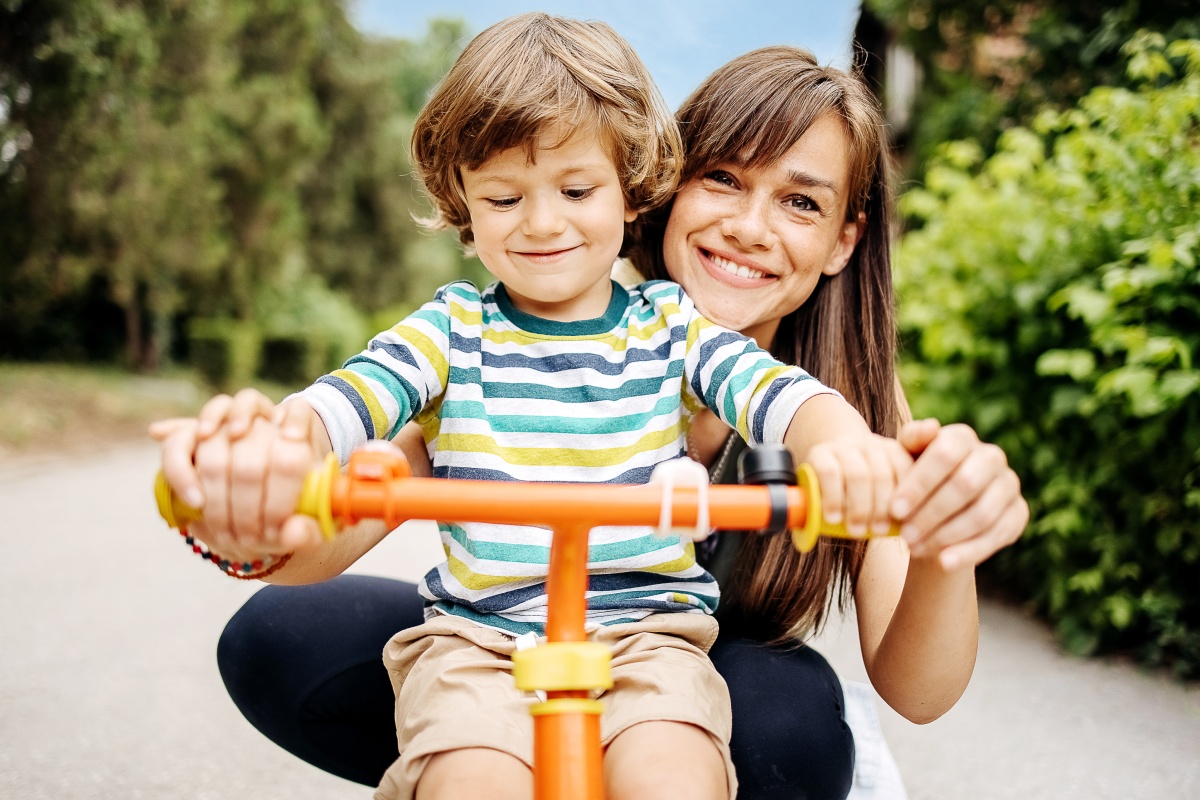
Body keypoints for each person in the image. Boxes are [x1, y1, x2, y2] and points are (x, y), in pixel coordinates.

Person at [155, 43, 1028, 800]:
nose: (750, 226)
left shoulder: (786, 381)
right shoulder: (494, 337)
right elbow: (343, 469)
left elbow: (915, 677)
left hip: (668, 652)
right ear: (660, 190)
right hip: (491, 632)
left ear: (842, 238)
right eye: (722, 178)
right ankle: (476, 753)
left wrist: (922, 518)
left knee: (781, 721)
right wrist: (245, 493)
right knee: (293, 639)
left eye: (801, 202)